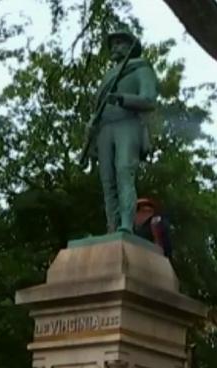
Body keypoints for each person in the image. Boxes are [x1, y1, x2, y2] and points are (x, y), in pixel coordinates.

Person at [84, 26, 157, 234]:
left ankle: (126, 223)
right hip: (104, 129)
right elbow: (98, 108)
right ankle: (112, 226)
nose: (115, 47)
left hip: (128, 123)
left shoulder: (141, 68)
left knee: (124, 171)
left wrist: (122, 99)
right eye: (113, 44)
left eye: (120, 43)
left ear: (130, 46)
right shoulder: (108, 76)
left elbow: (149, 100)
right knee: (108, 182)